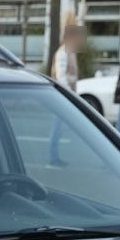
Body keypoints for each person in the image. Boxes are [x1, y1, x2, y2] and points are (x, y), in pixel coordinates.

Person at [48, 24, 83, 165]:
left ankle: (54, 156)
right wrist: (70, 93)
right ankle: (52, 157)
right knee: (57, 128)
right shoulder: (63, 53)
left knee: (59, 128)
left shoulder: (69, 52)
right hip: (61, 96)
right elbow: (61, 76)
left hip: (64, 95)